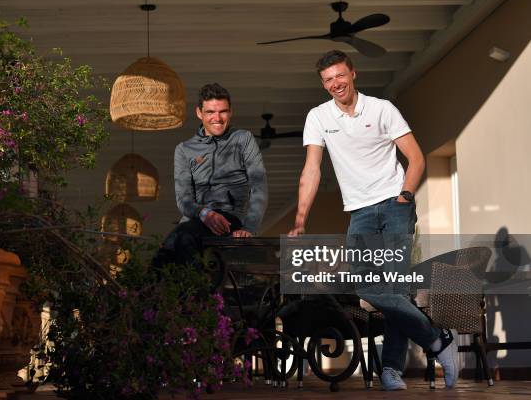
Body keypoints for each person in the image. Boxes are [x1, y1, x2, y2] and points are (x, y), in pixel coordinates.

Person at [288, 50, 459, 390]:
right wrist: (300, 219)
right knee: (364, 283)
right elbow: (311, 168)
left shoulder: (382, 109)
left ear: (353, 73)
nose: (335, 83)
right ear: (323, 84)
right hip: (360, 212)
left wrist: (405, 196)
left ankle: (391, 370)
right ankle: (438, 340)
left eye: (340, 75)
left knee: (396, 287)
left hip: (394, 204)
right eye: (328, 80)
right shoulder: (319, 117)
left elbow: (416, 158)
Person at [154, 83, 268, 269]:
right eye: (210, 112)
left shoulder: (243, 139)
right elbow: (183, 199)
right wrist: (204, 213)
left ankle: (201, 295)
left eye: (223, 111)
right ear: (199, 113)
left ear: (230, 112)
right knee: (164, 254)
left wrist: (249, 228)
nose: (217, 118)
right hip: (196, 220)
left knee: (182, 238)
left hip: (229, 218)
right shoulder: (184, 150)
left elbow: (259, 187)